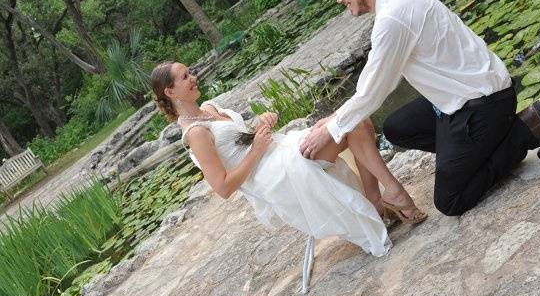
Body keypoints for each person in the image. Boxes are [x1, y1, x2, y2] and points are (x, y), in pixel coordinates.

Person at [299, 0, 540, 217]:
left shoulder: (392, 19)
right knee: (396, 127)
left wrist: (329, 131)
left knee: (450, 201)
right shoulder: (398, 1)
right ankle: (477, 152)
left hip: (483, 104)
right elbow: (372, 82)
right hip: (466, 96)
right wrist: (333, 119)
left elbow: (372, 94)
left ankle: (525, 131)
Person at [150, 62, 427, 258]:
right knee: (352, 126)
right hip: (273, 173)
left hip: (277, 150)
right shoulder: (196, 134)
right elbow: (223, 188)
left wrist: (260, 123)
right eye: (185, 76)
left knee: (358, 122)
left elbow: (238, 140)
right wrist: (257, 149)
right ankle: (391, 194)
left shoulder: (209, 109)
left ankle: (376, 200)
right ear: (170, 92)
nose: (193, 77)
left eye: (190, 72)